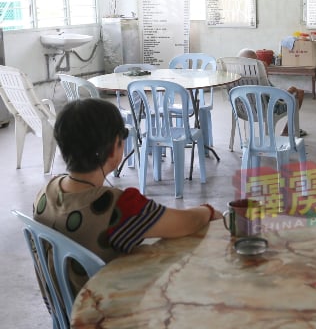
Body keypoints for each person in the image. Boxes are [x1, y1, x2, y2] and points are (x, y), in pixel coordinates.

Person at [34, 98, 221, 292]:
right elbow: (185, 223)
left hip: (65, 311)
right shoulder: (119, 207)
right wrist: (207, 211)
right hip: (106, 312)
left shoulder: (44, 193)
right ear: (115, 145)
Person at [237, 48, 307, 137]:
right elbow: (276, 97)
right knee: (299, 93)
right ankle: (287, 130)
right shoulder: (260, 78)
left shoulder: (235, 77)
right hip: (268, 109)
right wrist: (291, 90)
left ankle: (288, 129)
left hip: (244, 110)